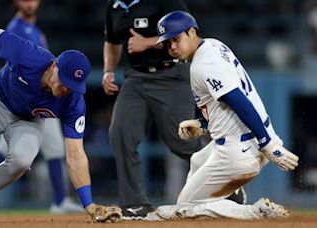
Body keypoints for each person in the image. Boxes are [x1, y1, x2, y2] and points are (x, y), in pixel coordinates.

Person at [0, 28, 122, 223]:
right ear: (53, 66)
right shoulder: (29, 56)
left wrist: (88, 205)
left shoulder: (73, 102)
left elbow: (76, 155)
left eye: (72, 86)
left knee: (22, 160)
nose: (66, 89)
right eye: (64, 81)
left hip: (28, 120)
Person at [145, 11, 299, 220]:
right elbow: (228, 105)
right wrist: (202, 124)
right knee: (198, 160)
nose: (172, 46)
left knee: (185, 208)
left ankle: (255, 212)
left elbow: (238, 101)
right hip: (248, 138)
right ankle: (223, 203)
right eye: (167, 42)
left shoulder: (203, 65)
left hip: (240, 149)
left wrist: (268, 144)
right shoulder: (213, 45)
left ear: (191, 32)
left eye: (176, 39)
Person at [102, 0, 246, 220]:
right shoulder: (115, 6)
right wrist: (108, 71)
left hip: (169, 75)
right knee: (120, 134)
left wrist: (148, 43)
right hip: (135, 77)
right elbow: (112, 41)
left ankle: (228, 185)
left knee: (181, 141)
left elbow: (187, 36)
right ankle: (135, 204)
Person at [0, 0, 82, 214]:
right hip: (27, 100)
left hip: (43, 98)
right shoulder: (17, 27)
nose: (30, 3)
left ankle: (60, 200)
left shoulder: (34, 29)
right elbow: (18, 62)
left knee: (51, 149)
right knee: (10, 150)